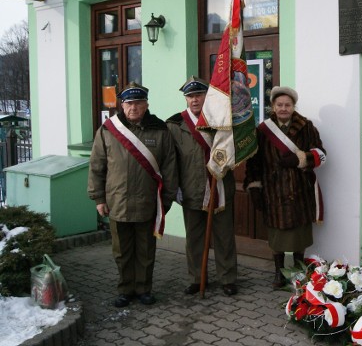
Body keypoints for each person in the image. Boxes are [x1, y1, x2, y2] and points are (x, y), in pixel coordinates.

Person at [88, 82, 178, 308]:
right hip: (117, 203)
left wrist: (165, 201)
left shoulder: (160, 130)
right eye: (129, 103)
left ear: (146, 104)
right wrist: (99, 198)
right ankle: (125, 289)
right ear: (122, 105)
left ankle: (144, 289)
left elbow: (170, 168)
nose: (133, 107)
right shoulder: (108, 130)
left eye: (138, 102)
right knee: (122, 252)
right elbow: (97, 166)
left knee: (146, 251)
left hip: (148, 203)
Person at [244, 86, 326, 288]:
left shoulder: (306, 127)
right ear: (273, 106)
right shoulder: (263, 130)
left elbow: (320, 153)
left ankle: (299, 274)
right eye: (279, 104)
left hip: (300, 190)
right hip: (274, 191)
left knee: (299, 236)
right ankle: (278, 274)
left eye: (287, 105)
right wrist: (254, 187)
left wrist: (300, 159)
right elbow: (254, 162)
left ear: (293, 106)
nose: (283, 108)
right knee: (277, 237)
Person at [166, 76, 238, 296]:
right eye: (190, 96)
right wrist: (175, 188)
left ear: (207, 96)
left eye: (199, 95)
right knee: (195, 239)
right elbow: (170, 160)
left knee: (224, 236)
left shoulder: (222, 120)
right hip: (191, 190)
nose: (195, 100)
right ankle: (197, 278)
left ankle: (228, 278)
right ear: (185, 99)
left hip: (220, 187)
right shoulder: (175, 125)